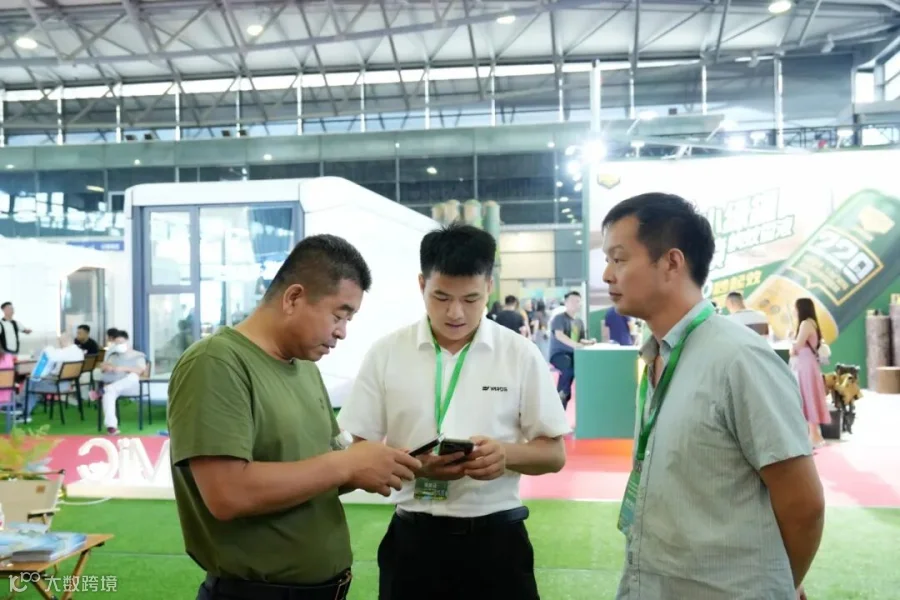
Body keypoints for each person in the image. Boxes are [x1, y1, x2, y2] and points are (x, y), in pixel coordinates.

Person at [167, 234, 422, 600]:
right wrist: (347, 464)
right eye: (339, 315)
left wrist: (390, 463)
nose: (342, 332)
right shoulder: (215, 362)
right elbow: (227, 493)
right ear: (293, 298)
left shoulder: (304, 368)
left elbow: (320, 473)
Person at [601, 192, 824, 600]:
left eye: (618, 259)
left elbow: (804, 504)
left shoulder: (739, 358)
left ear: (671, 262)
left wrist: (778, 586)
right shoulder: (657, 354)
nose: (606, 275)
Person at [337, 222, 570, 600]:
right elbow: (358, 452)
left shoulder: (519, 354)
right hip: (414, 542)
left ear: (490, 287)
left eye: (471, 298)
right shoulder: (387, 353)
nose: (456, 312)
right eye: (441, 297)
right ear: (421, 285)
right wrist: (415, 466)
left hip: (498, 542)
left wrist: (505, 455)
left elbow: (554, 454)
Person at [789, 297, 831, 448]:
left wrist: (791, 340)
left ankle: (814, 435)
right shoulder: (811, 323)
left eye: (795, 308)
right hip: (809, 363)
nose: (794, 311)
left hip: (805, 364)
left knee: (807, 395)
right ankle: (815, 435)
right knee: (810, 395)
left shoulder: (805, 324)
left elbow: (796, 347)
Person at [548, 291, 595, 408]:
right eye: (572, 301)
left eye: (578, 301)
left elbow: (581, 340)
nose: (575, 304)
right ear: (566, 303)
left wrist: (589, 342)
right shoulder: (559, 318)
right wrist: (575, 345)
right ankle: (561, 396)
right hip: (558, 354)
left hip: (574, 354)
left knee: (573, 371)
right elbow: (559, 335)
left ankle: (562, 397)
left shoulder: (579, 321)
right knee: (568, 368)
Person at [97, 330, 147, 435]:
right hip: (115, 386)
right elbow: (103, 368)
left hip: (130, 387)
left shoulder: (138, 355)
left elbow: (140, 370)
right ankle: (111, 427)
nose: (119, 345)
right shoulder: (113, 356)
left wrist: (122, 368)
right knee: (108, 394)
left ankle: (105, 389)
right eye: (117, 343)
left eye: (121, 342)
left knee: (134, 377)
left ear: (127, 341)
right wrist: (106, 367)